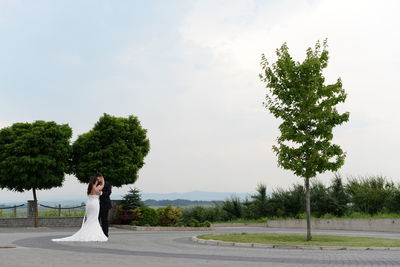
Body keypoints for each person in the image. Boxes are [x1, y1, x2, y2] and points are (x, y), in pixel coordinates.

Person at [52, 174, 108, 242]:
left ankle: (89, 231)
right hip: (94, 204)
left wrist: (97, 181)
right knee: (94, 218)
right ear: (95, 180)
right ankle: (91, 233)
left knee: (91, 218)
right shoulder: (95, 187)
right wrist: (103, 181)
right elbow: (102, 187)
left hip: (90, 204)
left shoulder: (91, 187)